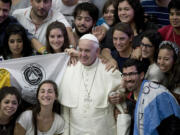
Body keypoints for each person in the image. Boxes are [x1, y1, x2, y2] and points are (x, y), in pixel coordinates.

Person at [58, 34, 124, 135]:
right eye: (80, 50)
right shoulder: (69, 69)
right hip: (76, 131)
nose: (83, 54)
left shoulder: (109, 70)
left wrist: (121, 96)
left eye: (87, 51)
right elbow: (65, 109)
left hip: (103, 131)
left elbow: (125, 90)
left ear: (97, 51)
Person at [122, 59, 180, 135]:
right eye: (125, 75)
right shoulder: (130, 98)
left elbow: (173, 124)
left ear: (142, 75)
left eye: (132, 74)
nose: (128, 78)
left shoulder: (156, 94)